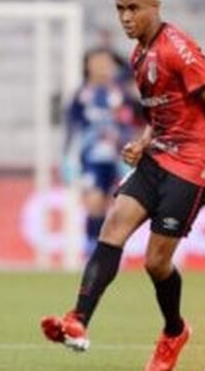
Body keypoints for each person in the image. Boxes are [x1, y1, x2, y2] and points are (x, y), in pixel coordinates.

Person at [41, 0, 205, 371]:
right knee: (113, 226)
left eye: (133, 8)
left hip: (193, 163)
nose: (126, 17)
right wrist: (143, 140)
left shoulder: (178, 50)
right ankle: (78, 320)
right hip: (159, 156)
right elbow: (162, 109)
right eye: (120, 9)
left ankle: (174, 332)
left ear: (155, 7)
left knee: (156, 262)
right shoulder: (137, 55)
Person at [61, 48, 138, 254]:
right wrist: (67, 157)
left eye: (107, 62)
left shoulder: (120, 92)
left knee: (111, 207)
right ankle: (91, 249)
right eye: (98, 62)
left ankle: (105, 251)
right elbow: (71, 127)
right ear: (87, 65)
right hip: (91, 158)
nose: (103, 66)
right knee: (94, 203)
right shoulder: (81, 94)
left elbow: (134, 117)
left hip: (118, 158)